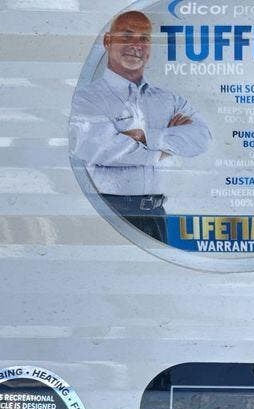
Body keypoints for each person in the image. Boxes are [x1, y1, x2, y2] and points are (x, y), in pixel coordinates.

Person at [70, 10, 211, 244]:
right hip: (109, 212)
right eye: (127, 36)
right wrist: (165, 149)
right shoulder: (88, 98)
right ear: (108, 41)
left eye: (144, 38)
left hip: (157, 215)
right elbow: (101, 149)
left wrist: (144, 137)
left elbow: (201, 138)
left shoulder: (168, 99)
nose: (136, 45)